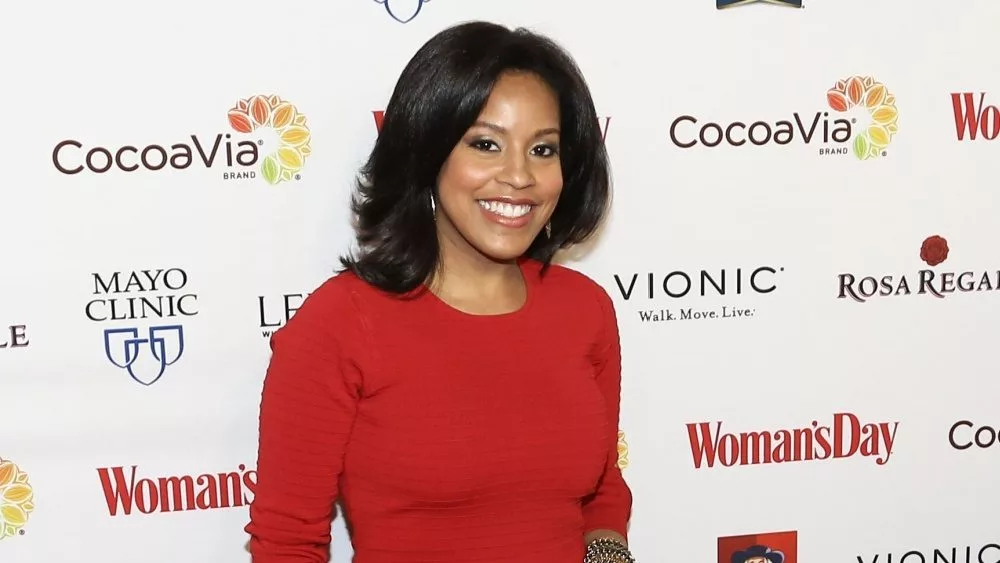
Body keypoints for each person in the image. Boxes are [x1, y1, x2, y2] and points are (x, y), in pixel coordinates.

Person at [245, 20, 634, 563]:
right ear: (428, 153)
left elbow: (602, 492)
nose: (519, 175)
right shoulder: (342, 322)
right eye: (485, 143)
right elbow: (288, 543)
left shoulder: (584, 310)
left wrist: (609, 553)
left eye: (543, 150)